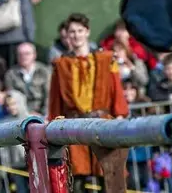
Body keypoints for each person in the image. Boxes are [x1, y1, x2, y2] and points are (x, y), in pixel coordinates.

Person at [47, 13, 129, 193]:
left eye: (80, 31)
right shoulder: (60, 65)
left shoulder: (106, 59)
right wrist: (54, 127)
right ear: (67, 35)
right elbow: (55, 101)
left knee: (108, 177)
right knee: (77, 180)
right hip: (74, 126)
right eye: (72, 32)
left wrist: (120, 119)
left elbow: (117, 93)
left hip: (103, 123)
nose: (76, 35)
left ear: (87, 32)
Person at [4, 42, 50, 116]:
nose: (23, 57)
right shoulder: (11, 74)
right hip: (21, 115)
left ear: (34, 55)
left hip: (44, 114)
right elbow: (12, 99)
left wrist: (43, 114)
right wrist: (27, 114)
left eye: (27, 54)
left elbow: (48, 96)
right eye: (20, 54)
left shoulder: (44, 72)